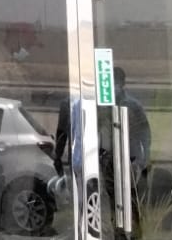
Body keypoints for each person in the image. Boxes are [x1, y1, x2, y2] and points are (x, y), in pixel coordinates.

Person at [51, 67, 151, 238]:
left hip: (126, 160)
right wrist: (59, 158)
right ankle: (95, 232)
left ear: (122, 84)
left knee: (127, 201)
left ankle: (129, 233)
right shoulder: (77, 104)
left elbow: (144, 134)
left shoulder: (130, 105)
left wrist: (141, 161)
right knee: (95, 201)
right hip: (96, 162)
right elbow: (65, 133)